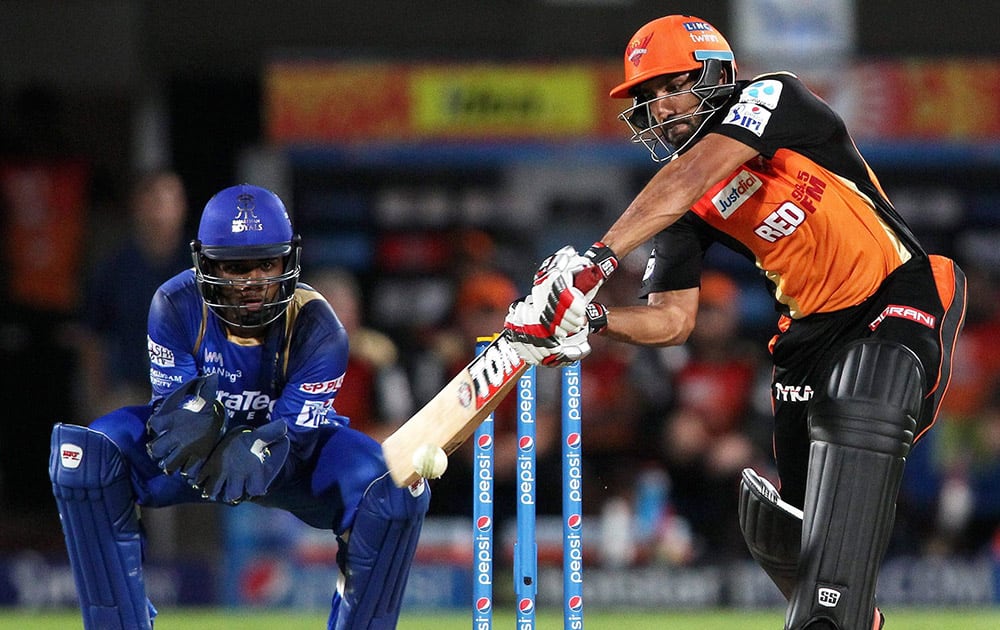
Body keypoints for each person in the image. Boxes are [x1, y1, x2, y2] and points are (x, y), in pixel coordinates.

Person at [503, 15, 966, 630]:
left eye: (670, 86)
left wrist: (595, 259)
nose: (660, 108)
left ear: (715, 73)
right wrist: (595, 318)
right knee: (798, 538)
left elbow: (697, 171)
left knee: (866, 389)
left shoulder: (773, 96)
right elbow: (673, 320)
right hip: (807, 340)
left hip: (899, 288)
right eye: (647, 98)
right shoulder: (677, 205)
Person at [49, 184, 430, 630]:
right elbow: (176, 423)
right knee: (85, 459)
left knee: (391, 491)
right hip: (198, 459)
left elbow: (295, 440)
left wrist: (250, 446)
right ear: (206, 264)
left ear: (289, 259)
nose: (254, 283)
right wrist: (203, 434)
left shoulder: (320, 327)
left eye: (267, 263)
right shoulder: (174, 304)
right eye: (235, 268)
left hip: (289, 461)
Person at [75, 169, 192, 417]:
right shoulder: (114, 268)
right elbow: (92, 338)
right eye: (151, 200)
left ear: (182, 206)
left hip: (189, 391)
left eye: (168, 201)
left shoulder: (199, 268)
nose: (159, 212)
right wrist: (97, 399)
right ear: (137, 206)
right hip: (129, 389)